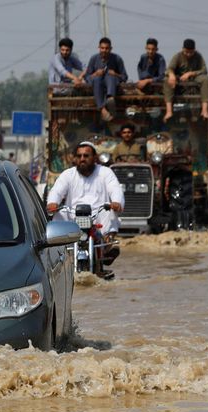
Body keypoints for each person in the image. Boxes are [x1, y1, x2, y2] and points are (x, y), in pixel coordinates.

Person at [46, 141, 124, 277]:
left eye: (86, 156)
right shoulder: (68, 174)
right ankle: (57, 254)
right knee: (59, 214)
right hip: (73, 215)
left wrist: (116, 202)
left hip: (98, 215)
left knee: (110, 213)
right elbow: (56, 191)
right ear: (75, 158)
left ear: (94, 158)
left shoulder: (105, 172)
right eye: (79, 156)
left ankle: (105, 249)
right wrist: (52, 203)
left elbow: (115, 189)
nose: (82, 159)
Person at [164, 38, 208, 122]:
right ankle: (169, 112)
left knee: (207, 79)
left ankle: (204, 111)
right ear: (182, 49)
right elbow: (169, 69)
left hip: (195, 79)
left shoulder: (198, 56)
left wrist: (190, 73)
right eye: (186, 52)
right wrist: (171, 75)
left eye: (191, 52)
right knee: (166, 80)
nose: (189, 54)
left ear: (194, 50)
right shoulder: (177, 56)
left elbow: (204, 70)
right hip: (179, 80)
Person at [85, 37, 128, 122]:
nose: (104, 50)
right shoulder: (94, 59)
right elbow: (87, 77)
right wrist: (95, 74)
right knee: (97, 79)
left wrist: (115, 74)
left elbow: (124, 77)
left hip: (112, 85)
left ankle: (110, 98)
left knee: (110, 76)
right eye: (102, 48)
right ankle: (102, 109)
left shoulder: (117, 59)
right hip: (98, 86)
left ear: (110, 49)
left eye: (107, 48)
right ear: (99, 48)